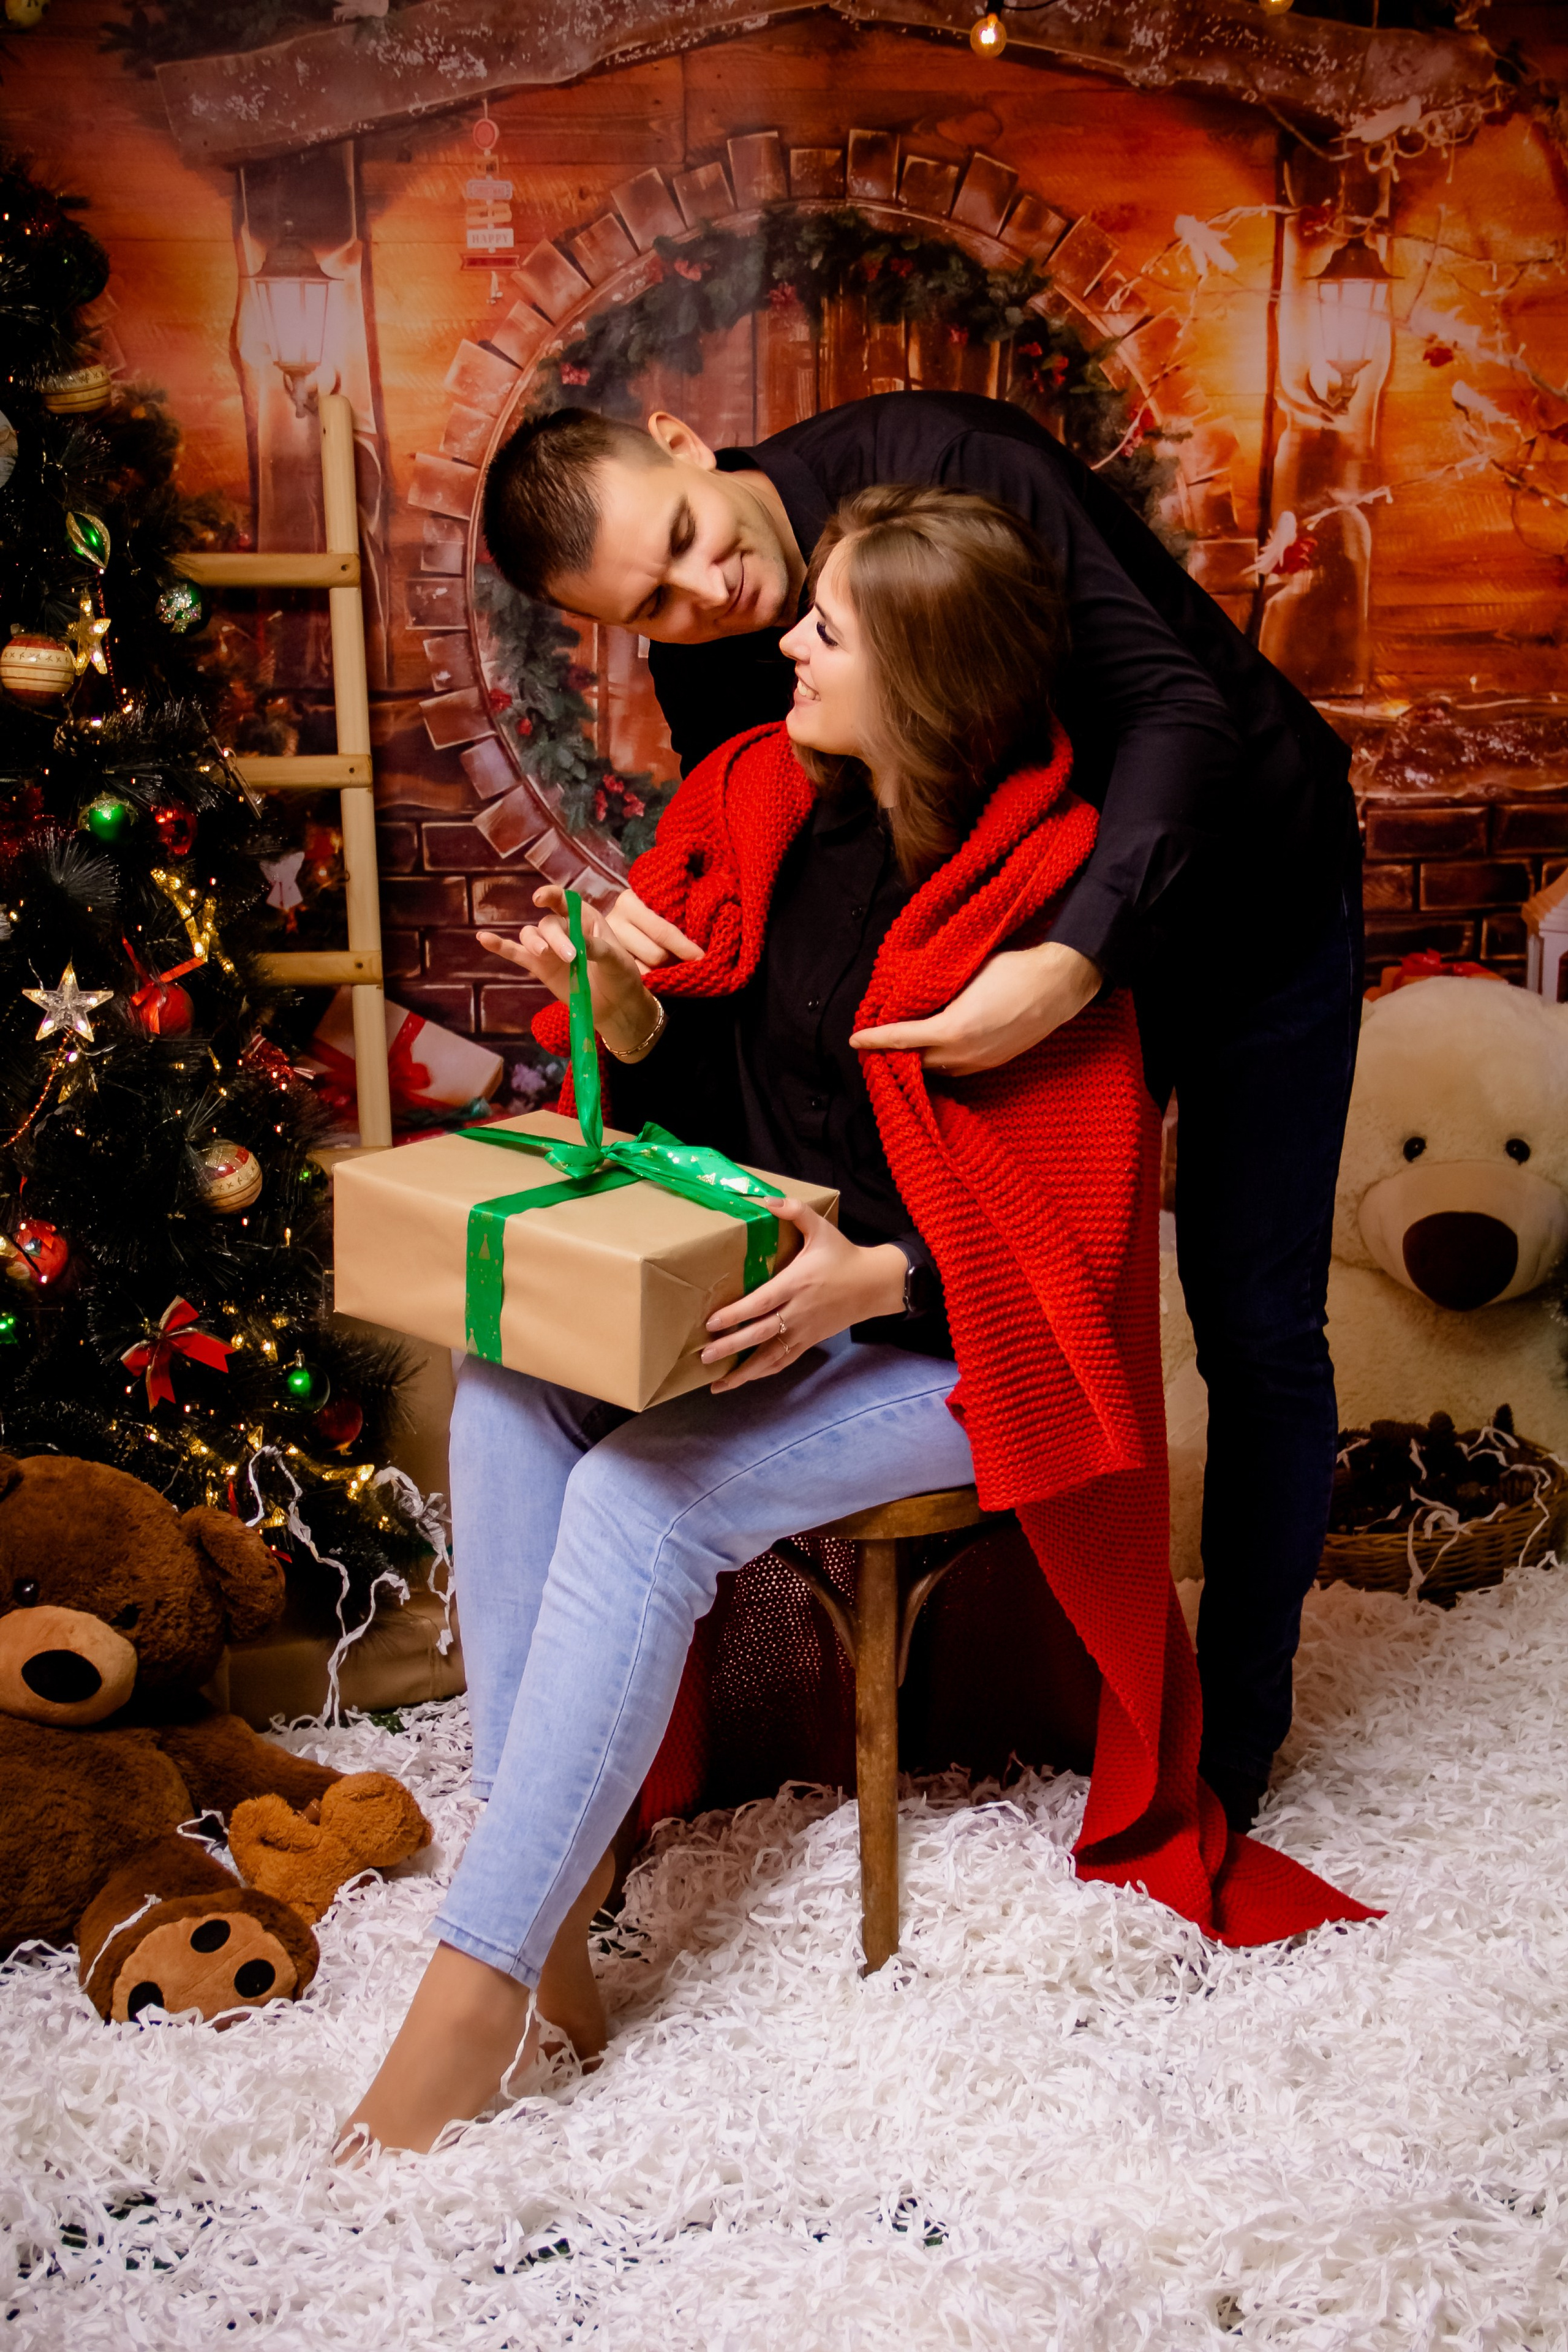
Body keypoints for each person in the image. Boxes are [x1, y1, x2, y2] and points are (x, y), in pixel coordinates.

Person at [342, 487, 1370, 2157]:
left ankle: (475, 1993)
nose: (785, 644)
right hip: (764, 1300)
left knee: (639, 1496)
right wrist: (604, 987)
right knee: (509, 1385)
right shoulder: (756, 794)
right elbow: (672, 1065)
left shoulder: (1044, 885)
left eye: (828, 630)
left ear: (932, 686)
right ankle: (548, 1918)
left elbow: (1079, 1233)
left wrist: (877, 1275)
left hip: (951, 1349)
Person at [480, 392, 1365, 1831]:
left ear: (685, 438)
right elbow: (786, 930)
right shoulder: (728, 654)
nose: (714, 602)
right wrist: (649, 981)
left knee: (1254, 1321)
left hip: (1239, 897)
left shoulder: (968, 464)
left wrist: (1069, 966)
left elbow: (1173, 707)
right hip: (1008, 943)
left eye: (691, 541)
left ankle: (1230, 1747)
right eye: (656, 606)